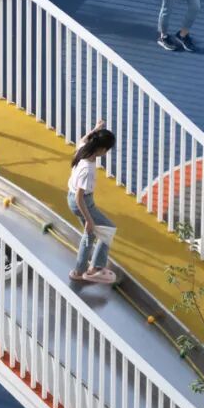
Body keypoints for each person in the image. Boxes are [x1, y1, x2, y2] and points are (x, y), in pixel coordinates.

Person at [67, 121, 117, 285]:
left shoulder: (83, 149)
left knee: (90, 234)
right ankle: (96, 268)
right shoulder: (87, 170)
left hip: (74, 198)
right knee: (108, 229)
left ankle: (79, 271)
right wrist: (89, 219)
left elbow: (83, 139)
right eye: (107, 149)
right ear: (102, 149)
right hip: (82, 202)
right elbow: (79, 198)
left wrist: (95, 129)